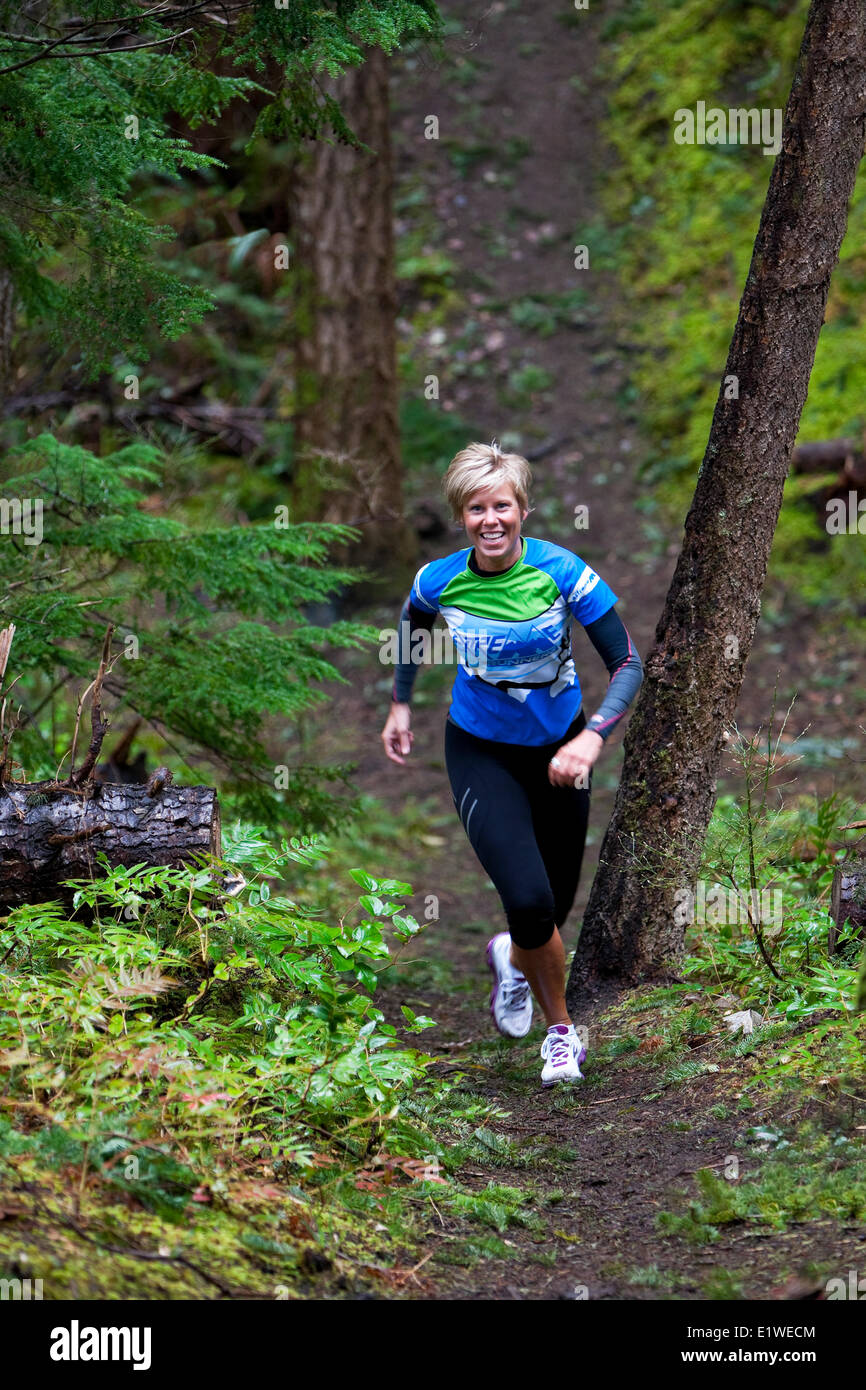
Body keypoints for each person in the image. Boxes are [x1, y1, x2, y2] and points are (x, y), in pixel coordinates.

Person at [381, 442, 643, 1087]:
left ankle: (510, 956)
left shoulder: (562, 573)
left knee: (550, 908)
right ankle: (562, 1034)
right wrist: (399, 705)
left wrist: (594, 738)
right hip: (480, 752)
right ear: (461, 516)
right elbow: (413, 629)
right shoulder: (439, 579)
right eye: (476, 508)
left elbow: (628, 663)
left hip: (563, 751)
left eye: (502, 505)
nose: (490, 519)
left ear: (522, 509)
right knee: (527, 900)